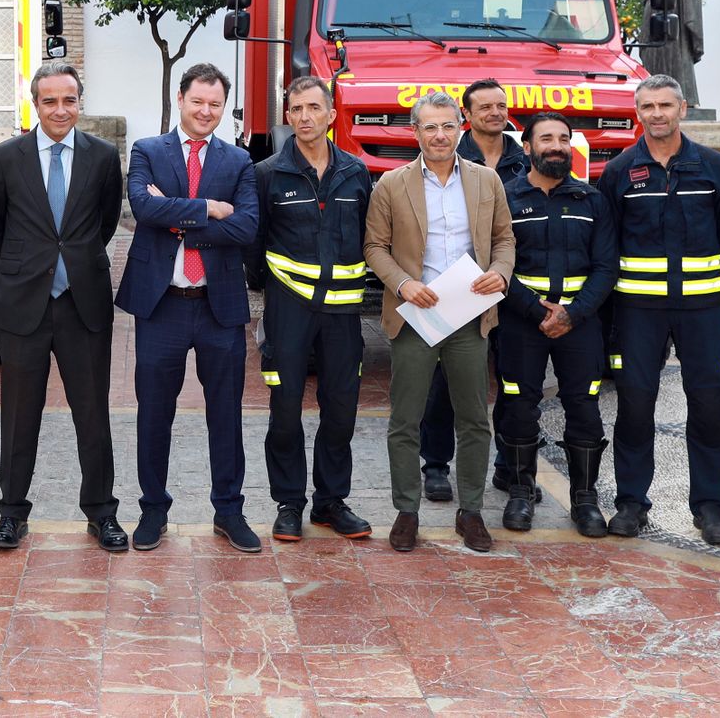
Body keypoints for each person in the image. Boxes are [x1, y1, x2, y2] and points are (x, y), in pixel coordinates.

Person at [0, 64, 124, 551]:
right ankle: (11, 514)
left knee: (93, 415)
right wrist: (30, 271)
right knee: (19, 416)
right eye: (49, 101)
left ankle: (101, 512)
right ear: (35, 105)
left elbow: (104, 223)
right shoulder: (5, 157)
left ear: (80, 102)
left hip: (83, 305)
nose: (60, 110)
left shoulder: (103, 157)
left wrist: (72, 264)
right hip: (25, 307)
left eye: (69, 100)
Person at [116, 63, 260, 552]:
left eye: (215, 104)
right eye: (197, 101)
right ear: (181, 99)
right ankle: (152, 511)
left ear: (224, 107)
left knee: (227, 414)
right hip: (161, 308)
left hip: (218, 306)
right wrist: (210, 208)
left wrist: (177, 217)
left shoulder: (238, 161)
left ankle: (229, 511)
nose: (205, 111)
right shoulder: (147, 151)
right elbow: (142, 208)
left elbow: (245, 229)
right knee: (155, 413)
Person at [364, 90, 514, 553]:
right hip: (415, 317)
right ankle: (406, 512)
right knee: (405, 420)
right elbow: (374, 249)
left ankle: (470, 513)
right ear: (415, 132)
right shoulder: (391, 183)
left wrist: (501, 274)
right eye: (429, 126)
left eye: (447, 125)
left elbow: (505, 240)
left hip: (468, 316)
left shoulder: (487, 181)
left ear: (461, 128)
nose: (440, 135)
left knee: (473, 419)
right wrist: (404, 285)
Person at [597, 74, 720, 545]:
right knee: (635, 407)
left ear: (683, 108)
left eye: (665, 105)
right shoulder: (619, 171)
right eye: (647, 107)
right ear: (637, 112)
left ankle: (709, 508)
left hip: (701, 311)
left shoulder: (715, 168)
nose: (656, 114)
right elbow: (609, 241)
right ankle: (631, 504)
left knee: (707, 406)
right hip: (638, 312)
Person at [245, 76, 373, 543]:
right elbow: (254, 247)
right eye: (296, 109)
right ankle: (288, 503)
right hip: (287, 312)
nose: (304, 117)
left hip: (342, 315)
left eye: (313, 108)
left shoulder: (356, 173)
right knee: (284, 409)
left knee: (341, 409)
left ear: (331, 114)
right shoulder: (267, 174)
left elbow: (366, 234)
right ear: (288, 115)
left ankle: (330, 502)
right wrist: (271, 290)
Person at [495, 112, 617, 535]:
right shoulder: (504, 198)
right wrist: (535, 310)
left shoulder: (592, 200)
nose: (557, 146)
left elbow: (606, 267)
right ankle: (521, 492)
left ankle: (585, 500)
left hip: (580, 322)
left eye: (564, 138)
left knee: (583, 404)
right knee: (518, 403)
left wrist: (573, 312)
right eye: (546, 138)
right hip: (520, 319)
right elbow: (495, 266)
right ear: (526, 147)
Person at [420, 78, 528, 503]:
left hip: (508, 288)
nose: (495, 113)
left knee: (511, 380)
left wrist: (504, 274)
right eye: (484, 107)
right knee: (444, 384)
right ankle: (436, 466)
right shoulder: (450, 155)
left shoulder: (523, 160)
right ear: (466, 116)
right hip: (457, 294)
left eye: (501, 105)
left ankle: (506, 466)